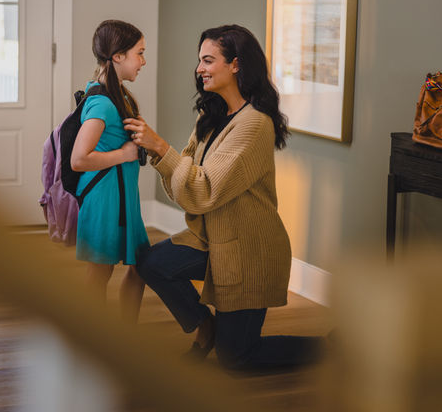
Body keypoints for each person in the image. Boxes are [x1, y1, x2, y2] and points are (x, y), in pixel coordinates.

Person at [123, 24, 325, 369]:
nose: (199, 68)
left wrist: (160, 147)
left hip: (248, 251)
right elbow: (187, 184)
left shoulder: (254, 124)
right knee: (152, 263)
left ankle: (332, 350)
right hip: (212, 239)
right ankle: (206, 328)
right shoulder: (212, 114)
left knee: (238, 361)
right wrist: (163, 157)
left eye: (208, 60)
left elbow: (203, 190)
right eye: (199, 60)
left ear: (235, 65)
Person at [71, 19, 149, 323]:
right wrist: (125, 153)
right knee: (100, 272)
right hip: (105, 199)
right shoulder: (103, 104)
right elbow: (79, 159)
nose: (143, 61)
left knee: (139, 265)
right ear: (117, 56)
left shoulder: (116, 95)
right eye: (139, 53)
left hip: (119, 197)